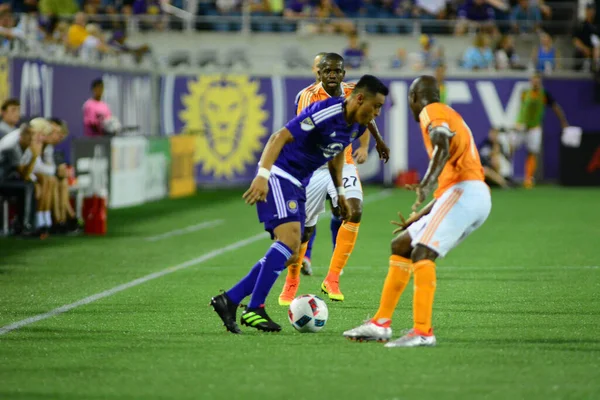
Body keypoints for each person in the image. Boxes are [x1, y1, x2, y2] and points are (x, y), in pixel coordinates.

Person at [210, 74, 389, 334]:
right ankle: (254, 307)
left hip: (299, 182)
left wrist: (339, 191)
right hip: (281, 175)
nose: (377, 112)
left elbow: (337, 152)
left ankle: (230, 300)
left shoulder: (359, 125)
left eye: (380, 108)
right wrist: (263, 176)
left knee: (293, 252)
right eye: (376, 106)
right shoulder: (325, 111)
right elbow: (278, 137)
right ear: (359, 98)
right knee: (290, 241)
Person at [343, 75, 491, 348]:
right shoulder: (448, 113)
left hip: (466, 192)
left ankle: (423, 331)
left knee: (423, 252)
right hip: (464, 193)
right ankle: (380, 324)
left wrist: (425, 182)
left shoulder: (431, 110)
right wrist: (419, 215)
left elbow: (441, 145)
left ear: (413, 98)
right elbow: (448, 182)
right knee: (402, 244)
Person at [279, 53, 390, 305]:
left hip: (344, 163)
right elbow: (306, 131)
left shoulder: (354, 91)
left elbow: (366, 115)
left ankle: (332, 279)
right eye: (326, 71)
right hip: (315, 167)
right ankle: (292, 280)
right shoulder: (307, 96)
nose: (331, 75)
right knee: (304, 231)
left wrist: (379, 141)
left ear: (343, 73)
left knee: (355, 210)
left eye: (336, 71)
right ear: (319, 73)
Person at [514, 72, 568, 188]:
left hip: (534, 127)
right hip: (522, 126)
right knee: (512, 148)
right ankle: (507, 174)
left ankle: (528, 179)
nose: (535, 83)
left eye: (537, 81)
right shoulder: (524, 93)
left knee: (532, 152)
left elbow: (555, 107)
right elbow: (521, 109)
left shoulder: (544, 95)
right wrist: (518, 122)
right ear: (530, 81)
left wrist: (563, 122)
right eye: (534, 80)